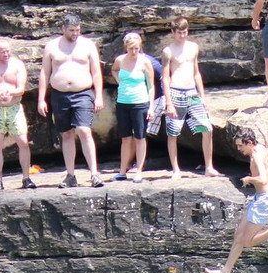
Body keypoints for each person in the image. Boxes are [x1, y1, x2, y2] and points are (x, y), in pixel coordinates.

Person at [204, 126, 268, 273]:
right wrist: (264, 133)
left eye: (241, 145)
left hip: (265, 202)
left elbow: (263, 179)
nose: (239, 149)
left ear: (249, 143)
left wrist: (250, 179)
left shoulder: (256, 156)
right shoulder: (260, 148)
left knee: (247, 242)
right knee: (239, 236)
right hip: (260, 198)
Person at [37, 12, 105, 189]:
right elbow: (44, 73)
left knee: (84, 130)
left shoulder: (88, 45)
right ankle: (70, 175)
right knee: (66, 134)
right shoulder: (52, 46)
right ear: (63, 29)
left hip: (82, 93)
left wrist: (98, 96)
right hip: (60, 95)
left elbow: (96, 72)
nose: (75, 33)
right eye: (72, 30)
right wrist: (41, 99)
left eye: (78, 30)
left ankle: (94, 173)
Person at [157, 17, 221, 180]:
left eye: (185, 32)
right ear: (173, 32)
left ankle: (208, 167)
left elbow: (196, 72)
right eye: (179, 33)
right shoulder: (168, 51)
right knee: (173, 132)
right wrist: (169, 103)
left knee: (207, 128)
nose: (182, 35)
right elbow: (165, 78)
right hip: (176, 92)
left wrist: (203, 96)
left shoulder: (193, 47)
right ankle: (176, 170)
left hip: (192, 92)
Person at [0, 37, 36, 192]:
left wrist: (9, 92)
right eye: (3, 51)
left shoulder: (17, 65)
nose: (6, 54)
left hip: (14, 108)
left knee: (23, 142)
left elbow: (21, 88)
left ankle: (26, 177)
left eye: (8, 51)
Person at [110, 32, 155, 184]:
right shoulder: (120, 60)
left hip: (140, 103)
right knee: (125, 138)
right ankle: (122, 171)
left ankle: (139, 171)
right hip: (123, 102)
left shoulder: (144, 62)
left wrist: (151, 107)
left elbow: (151, 86)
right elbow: (114, 70)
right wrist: (119, 82)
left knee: (140, 137)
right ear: (126, 48)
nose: (134, 52)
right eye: (131, 49)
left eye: (136, 48)